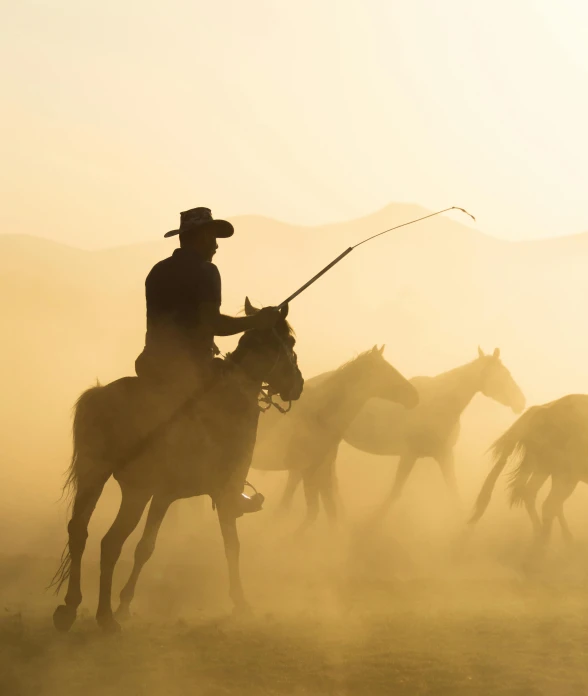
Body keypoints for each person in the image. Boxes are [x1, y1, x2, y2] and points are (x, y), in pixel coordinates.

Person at [135, 207, 280, 513]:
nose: (216, 245)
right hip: (188, 367)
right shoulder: (206, 271)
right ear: (199, 237)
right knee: (243, 408)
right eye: (212, 237)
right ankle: (231, 488)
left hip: (149, 362)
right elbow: (212, 324)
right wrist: (257, 323)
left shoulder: (157, 271)